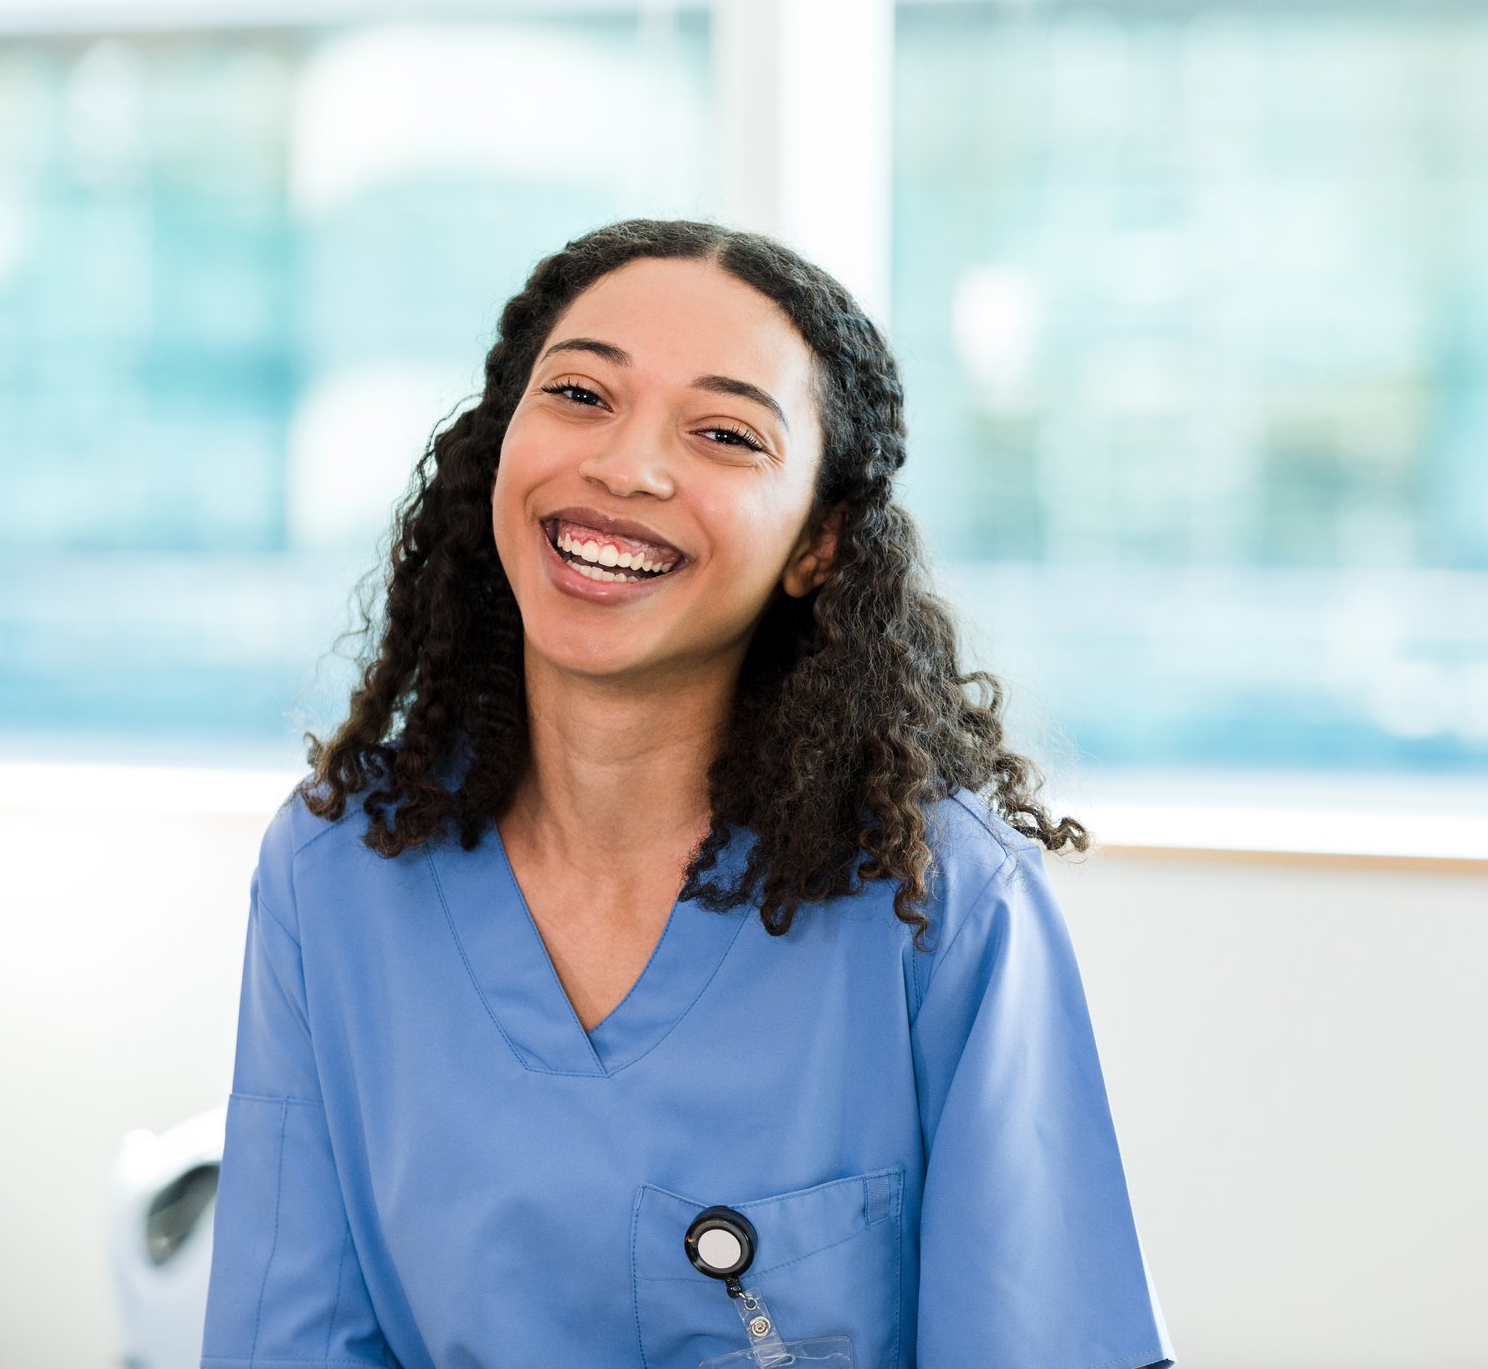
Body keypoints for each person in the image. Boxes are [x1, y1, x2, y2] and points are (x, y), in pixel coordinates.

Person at [200, 218, 1175, 1369]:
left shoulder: (940, 901)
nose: (626, 466)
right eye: (579, 394)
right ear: (497, 449)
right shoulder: (337, 870)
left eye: (723, 432)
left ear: (819, 543)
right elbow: (289, 1342)